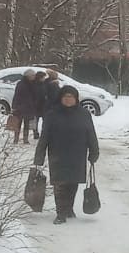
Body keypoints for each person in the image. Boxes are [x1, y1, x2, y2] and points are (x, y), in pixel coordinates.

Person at [34, 84, 99, 224]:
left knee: (72, 183)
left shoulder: (84, 114)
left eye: (71, 97)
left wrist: (94, 151)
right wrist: (39, 155)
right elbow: (44, 136)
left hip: (77, 154)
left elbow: (91, 133)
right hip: (58, 154)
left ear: (76, 98)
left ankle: (69, 208)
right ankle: (60, 213)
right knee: (60, 184)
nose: (68, 100)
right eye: (66, 97)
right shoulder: (52, 114)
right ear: (60, 98)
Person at [10, 68, 38, 144]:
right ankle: (16, 139)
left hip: (29, 107)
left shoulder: (34, 84)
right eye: (33, 75)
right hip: (21, 107)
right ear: (28, 76)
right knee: (18, 123)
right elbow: (16, 95)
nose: (34, 77)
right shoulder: (21, 84)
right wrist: (14, 106)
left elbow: (35, 95)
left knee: (27, 124)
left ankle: (25, 139)